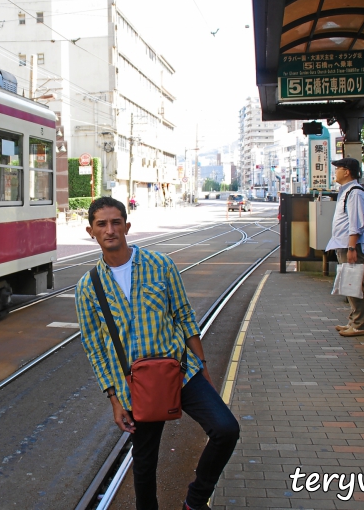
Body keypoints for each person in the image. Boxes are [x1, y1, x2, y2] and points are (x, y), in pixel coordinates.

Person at [75, 196, 239, 510]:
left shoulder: (160, 264)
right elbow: (94, 348)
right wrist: (113, 398)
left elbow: (184, 315)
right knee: (145, 463)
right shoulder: (87, 287)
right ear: (91, 231)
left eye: (116, 222)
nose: (110, 230)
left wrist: (201, 364)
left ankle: (195, 501)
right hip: (136, 384)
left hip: (181, 371)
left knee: (226, 429)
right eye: (102, 224)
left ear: (127, 226)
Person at [326, 157, 364, 337]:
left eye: (337, 169)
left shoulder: (355, 193)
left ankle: (359, 325)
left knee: (354, 283)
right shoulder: (347, 192)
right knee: (350, 282)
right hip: (344, 244)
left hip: (350, 245)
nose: (335, 172)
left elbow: (357, 222)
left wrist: (352, 247)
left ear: (347, 171)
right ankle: (354, 320)